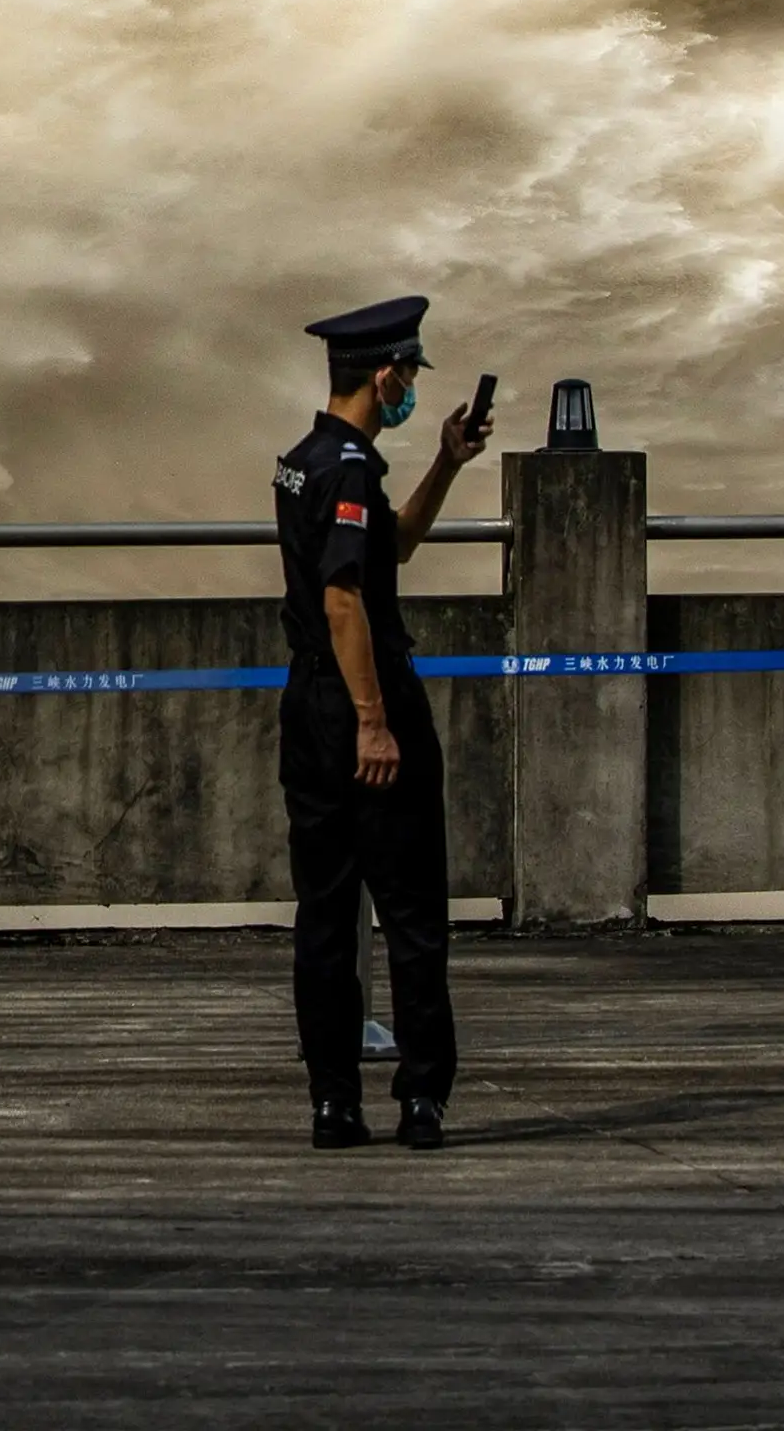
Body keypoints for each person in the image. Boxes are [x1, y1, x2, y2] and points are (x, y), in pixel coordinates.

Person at [271, 294, 487, 1150]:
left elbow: (388, 547)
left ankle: (332, 1103)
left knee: (325, 915)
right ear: (387, 372)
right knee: (410, 915)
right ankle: (421, 1099)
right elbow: (344, 597)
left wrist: (447, 463)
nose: (411, 393)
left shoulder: (303, 459)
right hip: (363, 701)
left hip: (306, 707)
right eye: (410, 377)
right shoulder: (352, 468)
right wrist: (373, 721)